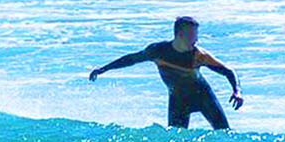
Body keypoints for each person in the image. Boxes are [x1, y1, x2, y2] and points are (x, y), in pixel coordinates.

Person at [89, 16, 244, 130]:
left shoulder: (199, 56)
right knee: (176, 140)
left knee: (224, 134)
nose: (196, 39)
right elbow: (131, 59)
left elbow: (228, 71)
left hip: (203, 97)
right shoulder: (157, 51)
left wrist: (237, 91)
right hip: (178, 100)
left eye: (196, 35)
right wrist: (103, 69)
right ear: (179, 35)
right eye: (192, 35)